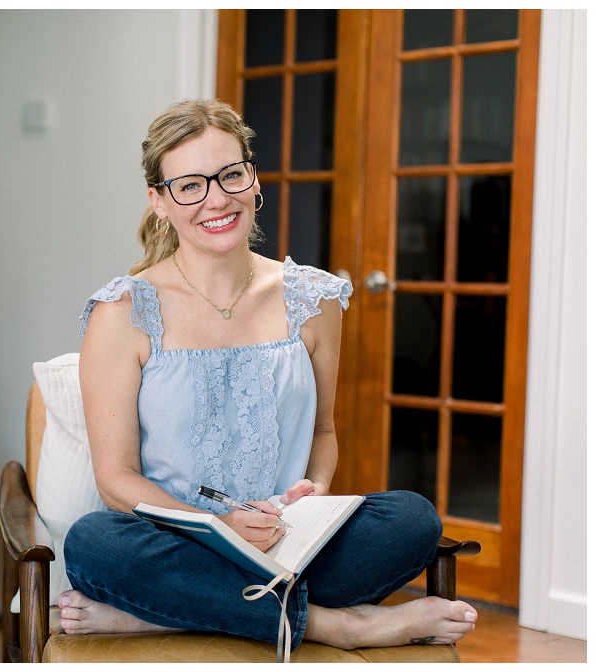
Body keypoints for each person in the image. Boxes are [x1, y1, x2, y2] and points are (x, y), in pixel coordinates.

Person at [58, 99, 477, 652]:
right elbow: (116, 478)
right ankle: (338, 625)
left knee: (413, 519)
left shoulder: (313, 299)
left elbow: (322, 433)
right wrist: (223, 525)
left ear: (253, 180)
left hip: (290, 540)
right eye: (189, 185)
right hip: (176, 541)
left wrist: (314, 496)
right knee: (95, 544)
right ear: (159, 200)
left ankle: (165, 613)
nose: (217, 199)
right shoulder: (123, 313)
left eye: (230, 174)